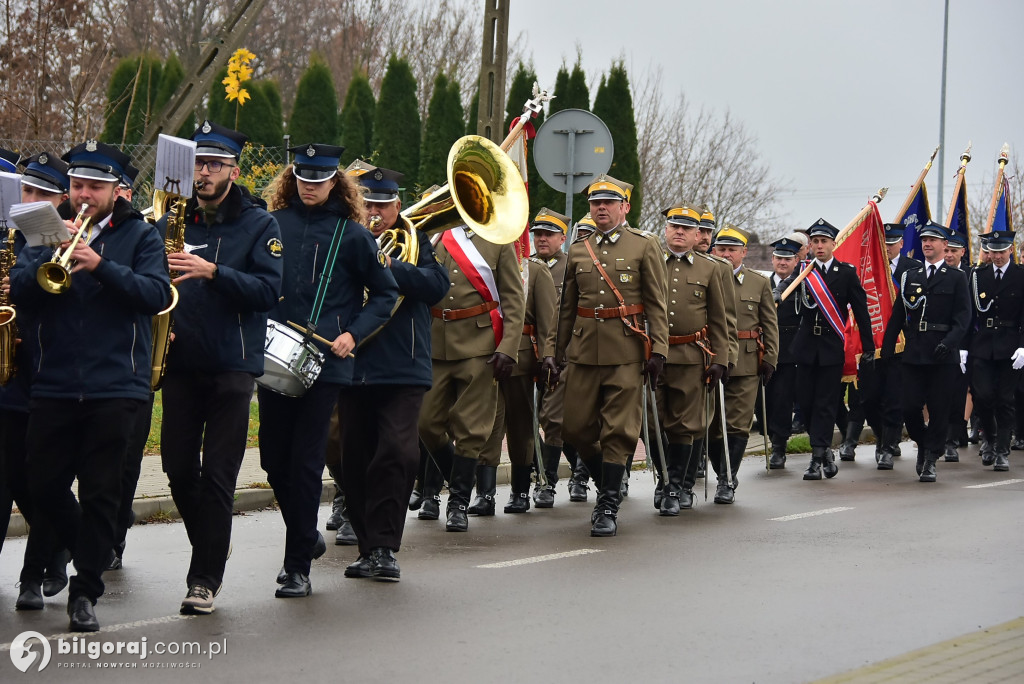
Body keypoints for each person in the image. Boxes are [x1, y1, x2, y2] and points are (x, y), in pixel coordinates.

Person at [11, 141, 170, 631]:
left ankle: (85, 594)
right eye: (77, 185)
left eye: (94, 187)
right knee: (42, 486)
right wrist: (46, 264)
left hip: (115, 385)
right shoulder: (43, 228)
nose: (83, 195)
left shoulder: (141, 235)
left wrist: (100, 265)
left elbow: (157, 294)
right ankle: (87, 550)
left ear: (116, 190)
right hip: (54, 381)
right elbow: (19, 292)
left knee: (102, 491)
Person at [256, 145, 398, 597]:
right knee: (272, 460)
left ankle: (297, 567)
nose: (309, 187)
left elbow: (383, 294)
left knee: (304, 460)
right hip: (274, 356)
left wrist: (353, 334)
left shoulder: (353, 235)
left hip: (326, 364)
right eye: (302, 179)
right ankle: (306, 534)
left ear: (334, 182)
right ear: (292, 178)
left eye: (318, 180)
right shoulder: (271, 225)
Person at [158, 121, 283, 615]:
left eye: (213, 164)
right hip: (182, 364)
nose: (203, 172)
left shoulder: (258, 224)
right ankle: (212, 538)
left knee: (218, 475)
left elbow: (268, 292)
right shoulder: (170, 219)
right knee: (175, 467)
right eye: (196, 163)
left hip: (233, 366)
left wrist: (213, 271)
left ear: (233, 169)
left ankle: (204, 579)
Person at [337, 163, 447, 581]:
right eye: (367, 204)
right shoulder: (345, 238)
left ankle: (384, 547)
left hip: (403, 365)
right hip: (353, 361)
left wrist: (386, 264)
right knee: (354, 458)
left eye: (383, 205)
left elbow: (436, 287)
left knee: (398, 453)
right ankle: (368, 547)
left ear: (397, 206)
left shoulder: (417, 242)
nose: (375, 213)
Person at [555, 174, 668, 536]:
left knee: (619, 430)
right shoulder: (578, 249)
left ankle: (607, 504)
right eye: (594, 203)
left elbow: (656, 304)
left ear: (624, 207)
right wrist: (556, 353)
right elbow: (566, 308)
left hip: (626, 349)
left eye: (608, 202)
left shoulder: (643, 246)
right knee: (574, 427)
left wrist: (659, 351)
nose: (600, 208)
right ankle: (610, 479)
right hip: (584, 350)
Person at [416, 196, 525, 532]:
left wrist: (508, 347)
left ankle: (458, 503)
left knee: (471, 428)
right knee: (426, 423)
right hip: (435, 341)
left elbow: (513, 298)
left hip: (480, 344)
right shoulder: (433, 235)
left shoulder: (498, 240)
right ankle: (458, 480)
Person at [3, 152, 73, 611]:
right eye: (27, 191)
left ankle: (35, 572)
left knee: (44, 476)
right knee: (10, 474)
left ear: (61, 200)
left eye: (43, 194)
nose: (32, 200)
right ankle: (58, 547)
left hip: (53, 371)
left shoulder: (69, 243)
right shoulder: (8, 238)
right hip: (10, 370)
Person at [470, 220, 558, 515]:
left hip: (520, 357)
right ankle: (485, 494)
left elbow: (547, 323)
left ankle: (521, 490)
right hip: (485, 354)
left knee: (520, 426)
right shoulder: (479, 266)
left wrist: (547, 357)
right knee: (487, 425)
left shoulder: (535, 271)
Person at [653, 203, 728, 515]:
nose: (679, 232)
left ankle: (678, 486)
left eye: (686, 227)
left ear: (698, 234)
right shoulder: (651, 260)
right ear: (666, 230)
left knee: (684, 426)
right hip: (653, 356)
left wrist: (721, 358)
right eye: (674, 226)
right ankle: (665, 476)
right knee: (654, 420)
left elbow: (721, 319)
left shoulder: (711, 269)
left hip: (690, 355)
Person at [881, 222, 970, 481]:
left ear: (945, 245)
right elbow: (899, 315)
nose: (927, 244)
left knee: (940, 409)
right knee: (909, 407)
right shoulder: (912, 275)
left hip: (942, 355)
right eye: (924, 240)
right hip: (915, 352)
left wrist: (950, 343)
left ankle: (931, 458)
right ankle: (924, 443)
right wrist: (887, 349)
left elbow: (963, 318)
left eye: (933, 240)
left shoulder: (957, 277)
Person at [793, 218, 874, 480]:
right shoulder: (803, 272)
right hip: (805, 347)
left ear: (833, 244)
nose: (818, 246)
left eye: (823, 241)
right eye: (814, 241)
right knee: (805, 403)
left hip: (830, 348)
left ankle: (817, 457)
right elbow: (788, 298)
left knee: (826, 403)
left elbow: (861, 311)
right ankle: (826, 452)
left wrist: (869, 348)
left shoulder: (846, 273)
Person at [709, 225, 779, 503]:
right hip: (711, 359)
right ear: (714, 250)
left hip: (747, 361)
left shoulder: (758, 282)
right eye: (722, 249)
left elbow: (769, 324)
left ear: (744, 253)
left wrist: (771, 357)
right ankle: (720, 468)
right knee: (711, 424)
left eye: (732, 250)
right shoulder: (706, 276)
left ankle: (727, 479)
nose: (726, 255)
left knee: (737, 424)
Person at [525, 207, 577, 507]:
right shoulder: (525, 266)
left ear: (562, 237)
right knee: (533, 419)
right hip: (530, 353)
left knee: (554, 419)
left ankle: (548, 483)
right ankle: (548, 474)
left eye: (548, 234)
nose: (542, 239)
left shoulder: (571, 267)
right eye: (538, 234)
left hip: (562, 357)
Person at [967, 230, 1024, 472]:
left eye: (1002, 251)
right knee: (983, 396)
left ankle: (1002, 450)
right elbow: (968, 314)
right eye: (993, 251)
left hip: (1011, 345)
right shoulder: (977, 276)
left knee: (1005, 399)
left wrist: (1023, 345)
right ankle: (989, 438)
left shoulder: (1021, 276)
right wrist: (962, 349)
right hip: (982, 345)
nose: (997, 256)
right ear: (988, 252)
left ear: (1011, 250)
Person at [766, 235, 803, 468]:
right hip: (764, 350)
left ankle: (779, 446)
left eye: (787, 259)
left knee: (782, 400)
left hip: (790, 351)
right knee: (765, 402)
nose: (782, 262)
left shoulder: (802, 284)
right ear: (772, 259)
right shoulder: (761, 284)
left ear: (796, 261)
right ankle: (771, 436)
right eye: (779, 258)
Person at [943, 231, 971, 461]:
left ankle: (952, 438)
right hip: (939, 343)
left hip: (964, 345)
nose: (950, 254)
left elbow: (969, 315)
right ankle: (940, 436)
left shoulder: (972, 275)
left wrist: (965, 347)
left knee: (958, 394)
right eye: (947, 250)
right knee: (937, 395)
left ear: (963, 251)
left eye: (954, 250)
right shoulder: (936, 274)